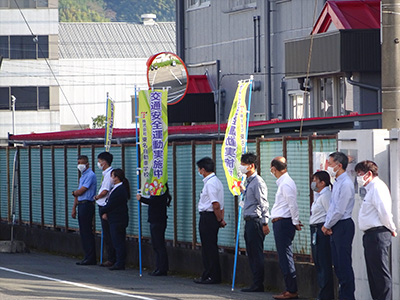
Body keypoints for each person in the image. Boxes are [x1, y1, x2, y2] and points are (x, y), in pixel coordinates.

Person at [355, 160, 397, 300]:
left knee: (380, 274)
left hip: (378, 233)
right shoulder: (370, 188)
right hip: (370, 235)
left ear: (369, 174)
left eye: (360, 174)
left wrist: (392, 228)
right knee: (373, 274)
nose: (358, 177)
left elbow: (384, 212)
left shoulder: (378, 187)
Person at [321, 152, 355, 300]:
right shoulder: (337, 182)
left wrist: (327, 225)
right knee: (338, 265)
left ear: (339, 165)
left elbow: (340, 210)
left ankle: (348, 297)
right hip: (335, 225)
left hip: (343, 225)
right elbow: (332, 207)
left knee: (344, 263)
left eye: (330, 163)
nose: (328, 166)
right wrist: (327, 225)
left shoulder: (346, 183)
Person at [270, 156, 302, 300]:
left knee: (285, 256)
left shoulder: (286, 183)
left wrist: (295, 221)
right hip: (281, 222)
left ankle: (292, 289)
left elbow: (292, 204)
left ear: (274, 169)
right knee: (283, 256)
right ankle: (289, 288)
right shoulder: (283, 183)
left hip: (284, 223)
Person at [239, 152, 270, 293]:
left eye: (244, 165)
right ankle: (255, 282)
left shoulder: (258, 182)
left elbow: (263, 203)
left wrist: (265, 222)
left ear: (251, 166)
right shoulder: (249, 182)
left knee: (256, 253)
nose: (241, 167)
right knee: (251, 252)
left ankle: (258, 284)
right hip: (249, 221)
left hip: (255, 221)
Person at [194, 157, 226, 284]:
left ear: (203, 169)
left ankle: (211, 275)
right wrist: (220, 218)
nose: (199, 171)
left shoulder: (211, 183)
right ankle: (210, 274)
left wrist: (219, 219)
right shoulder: (216, 181)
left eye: (199, 169)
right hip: (212, 217)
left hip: (208, 216)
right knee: (210, 246)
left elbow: (216, 204)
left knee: (208, 248)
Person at [136, 184, 172, 276]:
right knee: (157, 245)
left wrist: (141, 199)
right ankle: (159, 267)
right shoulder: (159, 194)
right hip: (156, 220)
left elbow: (153, 202)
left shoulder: (160, 194)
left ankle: (162, 268)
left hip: (158, 221)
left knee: (159, 245)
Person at [310, 171, 334, 300]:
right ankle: (322, 293)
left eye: (315, 180)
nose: (313, 182)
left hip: (322, 229)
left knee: (324, 263)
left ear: (322, 182)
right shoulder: (319, 195)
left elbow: (330, 212)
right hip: (315, 229)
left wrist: (327, 227)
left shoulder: (326, 196)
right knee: (318, 262)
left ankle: (326, 295)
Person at [99, 169, 130, 270]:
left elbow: (112, 204)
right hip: (114, 217)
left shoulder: (120, 190)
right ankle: (117, 261)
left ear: (117, 178)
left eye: (113, 176)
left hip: (118, 219)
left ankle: (120, 262)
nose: (111, 178)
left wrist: (103, 210)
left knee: (118, 241)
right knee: (115, 240)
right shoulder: (116, 188)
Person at [71, 155, 97, 265]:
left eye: (81, 163)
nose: (79, 165)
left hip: (87, 204)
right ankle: (87, 255)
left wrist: (74, 193)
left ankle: (90, 257)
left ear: (87, 164)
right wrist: (74, 208)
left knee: (87, 231)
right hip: (81, 204)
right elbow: (77, 194)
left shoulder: (90, 175)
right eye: (78, 163)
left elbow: (80, 191)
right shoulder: (82, 176)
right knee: (83, 231)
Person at [94, 151, 115, 267]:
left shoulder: (109, 175)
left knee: (108, 233)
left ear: (104, 162)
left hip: (104, 205)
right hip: (103, 204)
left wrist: (97, 197)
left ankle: (111, 258)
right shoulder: (105, 174)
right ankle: (111, 258)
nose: (98, 164)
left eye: (99, 161)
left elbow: (105, 190)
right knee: (106, 233)